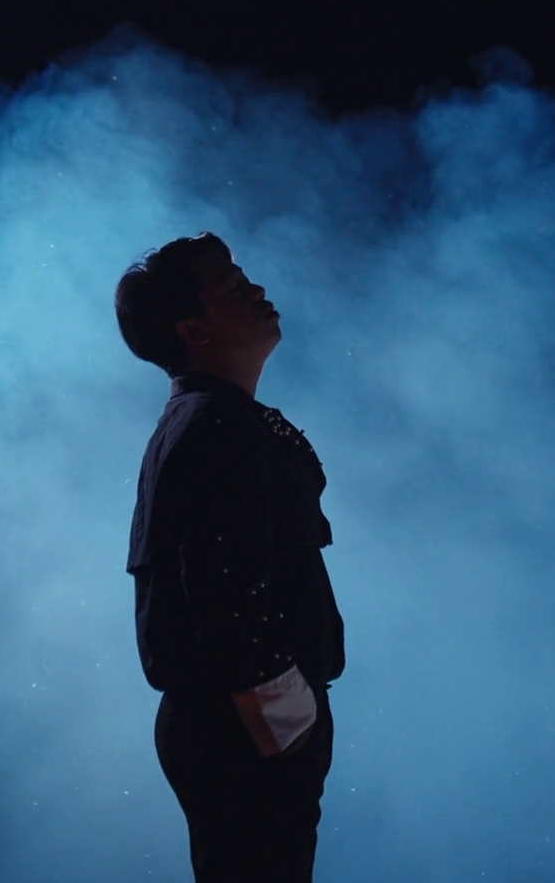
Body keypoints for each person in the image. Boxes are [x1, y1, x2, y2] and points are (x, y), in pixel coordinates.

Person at [114, 232, 346, 883]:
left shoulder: (214, 420)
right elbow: (223, 587)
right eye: (234, 289)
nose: (258, 291)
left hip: (241, 722)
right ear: (195, 330)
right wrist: (289, 721)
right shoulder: (214, 427)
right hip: (242, 726)